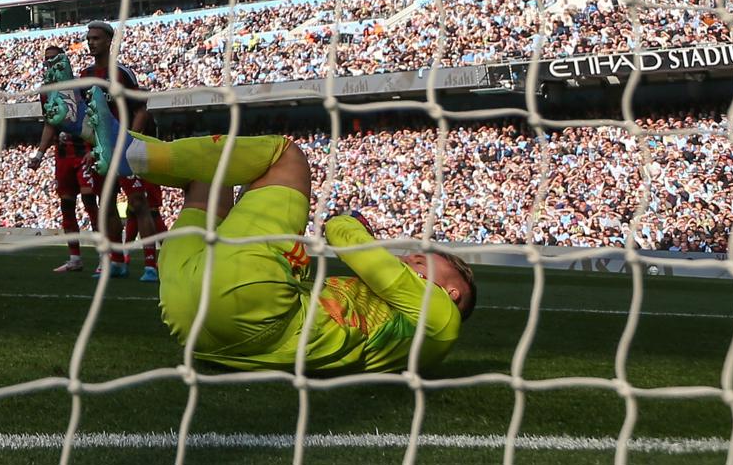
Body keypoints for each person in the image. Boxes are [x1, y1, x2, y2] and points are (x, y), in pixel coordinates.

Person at [114, 128, 475, 374]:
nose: (409, 257)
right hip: (190, 320)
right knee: (211, 171)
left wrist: (354, 221)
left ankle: (126, 146)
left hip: (251, 303)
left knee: (286, 155)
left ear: (451, 290)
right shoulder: (395, 323)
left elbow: (341, 233)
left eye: (420, 259)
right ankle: (114, 138)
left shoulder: (442, 319)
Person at [84, 20, 160, 283]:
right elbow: (88, 117)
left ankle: (151, 265)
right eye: (89, 38)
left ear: (108, 41)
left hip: (124, 149)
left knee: (139, 203)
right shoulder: (85, 76)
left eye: (96, 38)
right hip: (102, 151)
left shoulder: (122, 73)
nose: (91, 42)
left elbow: (141, 109)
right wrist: (92, 147)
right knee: (106, 206)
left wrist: (130, 141)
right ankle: (116, 262)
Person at [27, 44, 102, 273]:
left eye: (54, 58)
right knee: (66, 204)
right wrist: (39, 153)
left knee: (91, 202)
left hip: (84, 151)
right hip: (62, 155)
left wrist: (97, 146)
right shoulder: (45, 92)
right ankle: (75, 258)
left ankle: (105, 256)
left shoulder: (80, 86)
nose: (50, 63)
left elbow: (95, 117)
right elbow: (50, 122)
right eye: (46, 59)